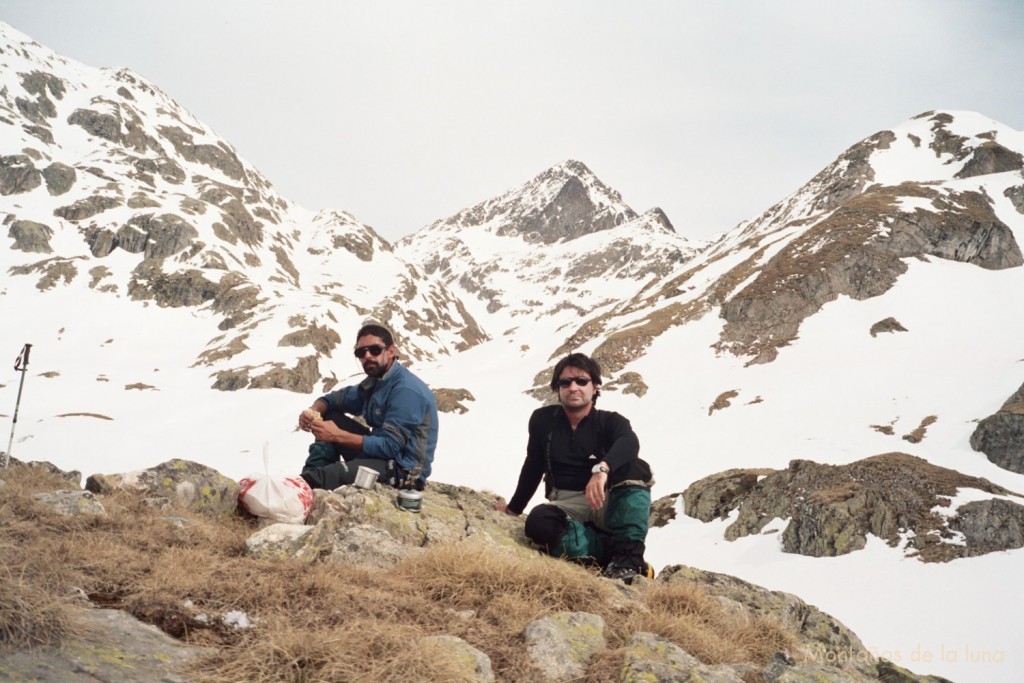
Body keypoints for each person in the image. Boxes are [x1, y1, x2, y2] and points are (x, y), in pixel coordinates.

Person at [495, 352, 655, 583]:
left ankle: (627, 561)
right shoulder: (543, 420)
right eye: (565, 382)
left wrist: (602, 469)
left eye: (581, 381)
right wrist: (513, 509)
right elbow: (533, 464)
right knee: (539, 523)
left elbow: (630, 443)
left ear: (595, 387)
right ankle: (615, 554)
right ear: (557, 389)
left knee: (635, 466)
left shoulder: (611, 421)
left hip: (607, 501)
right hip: (567, 504)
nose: (573, 387)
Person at [298, 323, 438, 491]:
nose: (368, 356)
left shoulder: (406, 390)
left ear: (391, 351)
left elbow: (390, 446)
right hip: (380, 456)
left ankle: (303, 486)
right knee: (330, 416)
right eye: (361, 352)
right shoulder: (377, 381)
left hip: (402, 472)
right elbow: (333, 400)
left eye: (375, 350)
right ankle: (310, 477)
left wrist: (337, 435)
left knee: (332, 474)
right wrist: (313, 411)